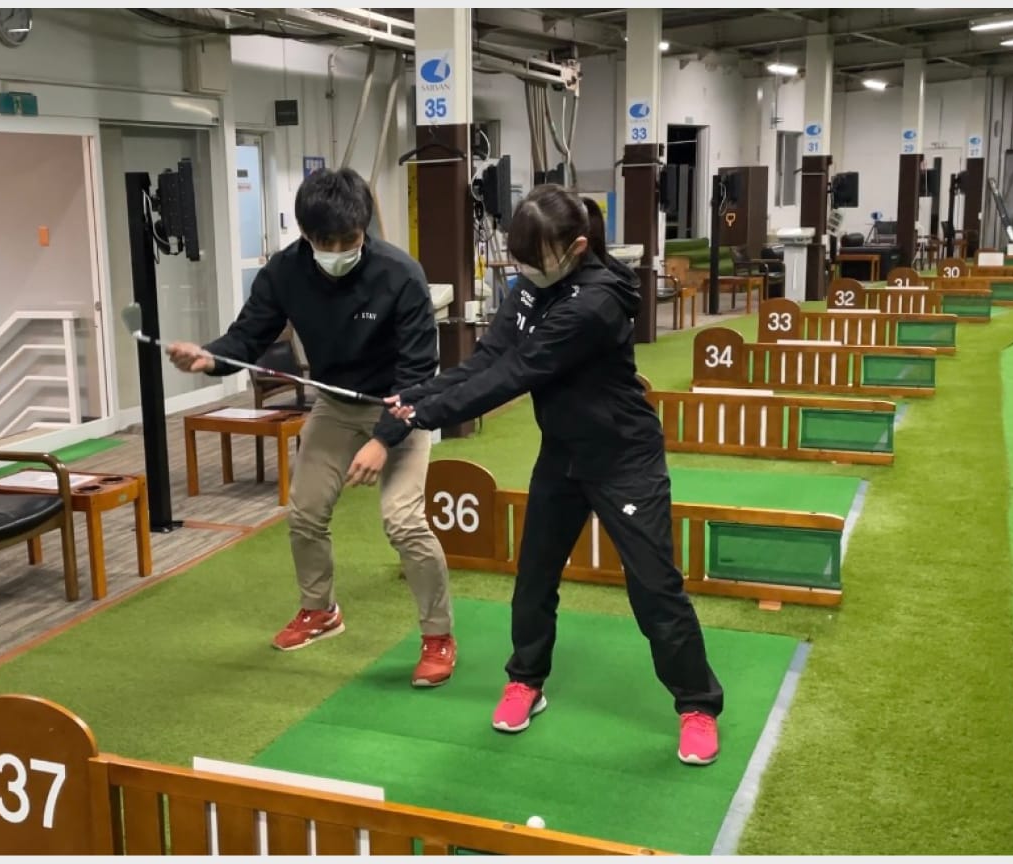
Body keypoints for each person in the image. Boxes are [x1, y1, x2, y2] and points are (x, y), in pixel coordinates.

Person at [386, 185, 724, 765]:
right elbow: (488, 359)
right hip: (562, 454)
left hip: (623, 458)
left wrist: (428, 414)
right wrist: (419, 395)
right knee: (534, 575)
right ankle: (526, 679)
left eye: (534, 258)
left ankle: (697, 704)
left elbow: (519, 371)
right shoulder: (529, 287)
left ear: (577, 248)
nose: (523, 271)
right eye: (518, 258)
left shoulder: (597, 302)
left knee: (654, 587)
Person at [164, 167, 456, 687]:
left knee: (403, 522)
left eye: (349, 239)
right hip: (335, 407)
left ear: (365, 229)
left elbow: (418, 375)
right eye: (325, 241)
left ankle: (438, 636)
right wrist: (209, 358)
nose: (337, 250)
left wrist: (382, 441)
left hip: (399, 408)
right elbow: (247, 337)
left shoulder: (401, 275)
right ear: (305, 234)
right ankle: (320, 611)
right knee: (304, 512)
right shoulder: (284, 272)